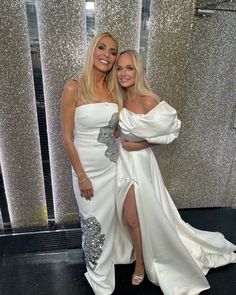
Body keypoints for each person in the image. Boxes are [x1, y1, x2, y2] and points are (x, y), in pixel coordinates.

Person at [114, 49, 236, 294]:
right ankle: (138, 254)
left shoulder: (149, 99)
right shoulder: (119, 99)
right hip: (119, 163)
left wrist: (140, 144)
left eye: (129, 68)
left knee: (132, 217)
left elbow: (170, 132)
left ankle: (140, 264)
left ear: (139, 71)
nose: (123, 73)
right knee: (129, 217)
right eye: (119, 68)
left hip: (140, 165)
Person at [60, 32, 122, 295]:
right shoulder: (74, 87)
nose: (106, 55)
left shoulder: (114, 89)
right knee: (93, 224)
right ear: (92, 50)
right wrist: (82, 176)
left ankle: (115, 261)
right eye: (102, 48)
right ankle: (98, 276)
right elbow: (65, 137)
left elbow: (118, 129)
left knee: (112, 221)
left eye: (112, 52)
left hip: (113, 167)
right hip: (87, 172)